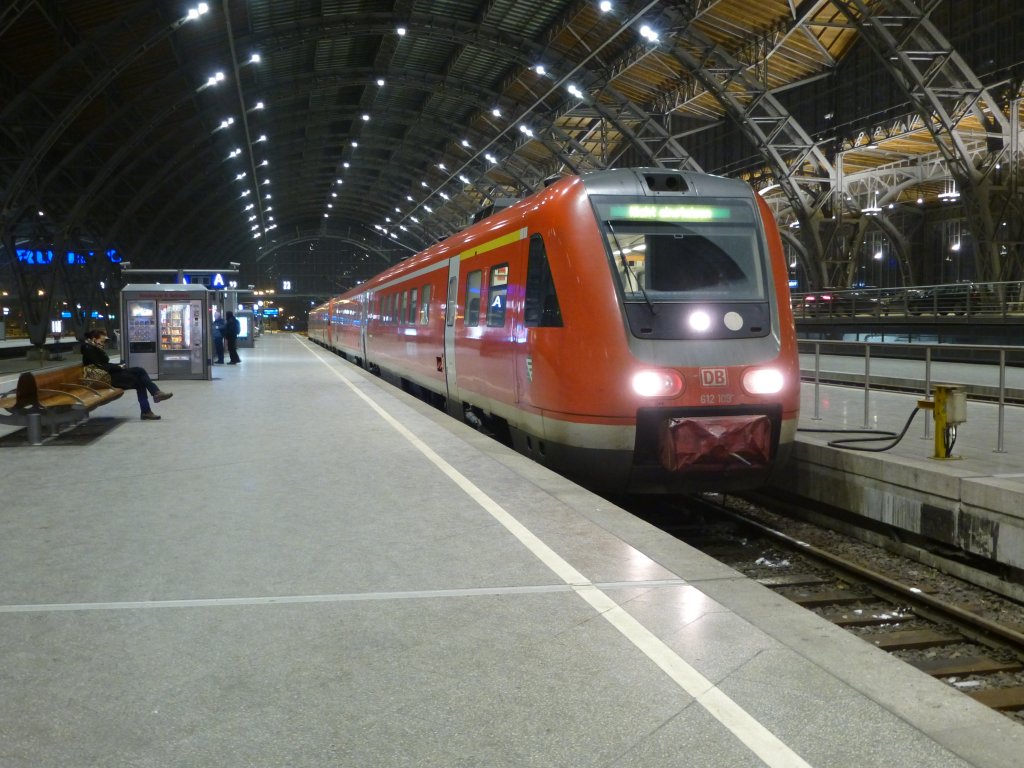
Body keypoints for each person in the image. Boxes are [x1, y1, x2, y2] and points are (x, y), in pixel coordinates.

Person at [81, 329, 173, 421]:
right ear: (94, 339)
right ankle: (155, 396)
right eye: (102, 341)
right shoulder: (89, 349)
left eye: (104, 341)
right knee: (140, 372)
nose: (103, 343)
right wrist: (118, 367)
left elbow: (104, 364)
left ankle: (148, 408)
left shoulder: (94, 348)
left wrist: (117, 366)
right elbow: (101, 366)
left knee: (140, 381)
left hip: (108, 375)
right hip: (104, 379)